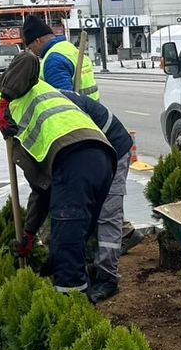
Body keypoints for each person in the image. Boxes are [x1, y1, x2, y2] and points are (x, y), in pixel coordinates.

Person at [0, 52, 115, 298]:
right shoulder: (25, 116)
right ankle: (81, 292)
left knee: (67, 243)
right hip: (97, 159)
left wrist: (2, 106)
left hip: (75, 157)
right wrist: (29, 232)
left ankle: (71, 305)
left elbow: (27, 58)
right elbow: (42, 189)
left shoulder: (14, 90)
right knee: (73, 238)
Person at [56, 87, 134, 303]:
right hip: (90, 149)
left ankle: (108, 278)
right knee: (85, 209)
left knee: (107, 214)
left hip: (114, 147)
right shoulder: (40, 104)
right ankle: (90, 262)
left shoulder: (51, 109)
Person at [22, 15, 99, 100]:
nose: (32, 51)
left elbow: (64, 100)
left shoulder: (53, 60)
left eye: (30, 47)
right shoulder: (68, 47)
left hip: (77, 108)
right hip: (92, 105)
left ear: (37, 41)